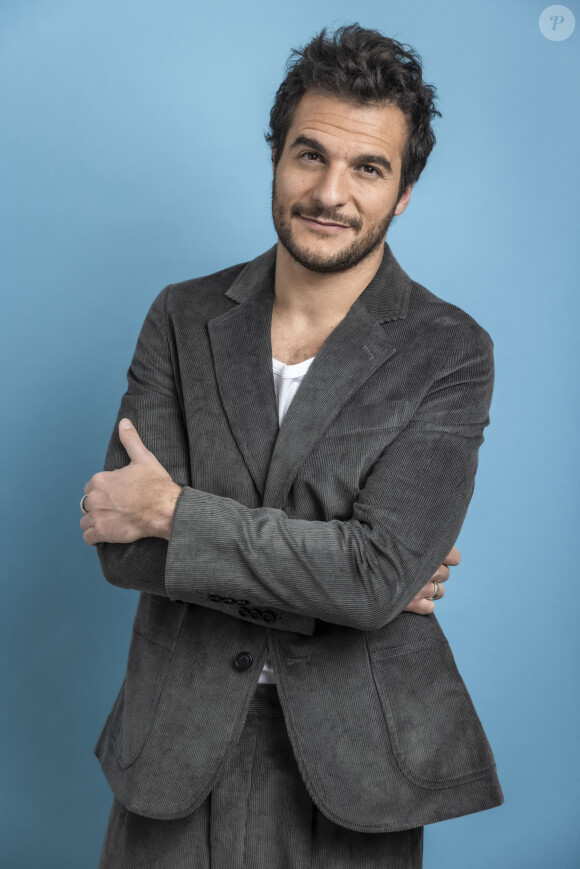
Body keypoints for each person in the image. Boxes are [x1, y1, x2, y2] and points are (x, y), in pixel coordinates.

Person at [81, 24, 503, 868]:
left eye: (368, 168)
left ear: (404, 191)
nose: (330, 191)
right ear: (276, 156)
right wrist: (340, 572)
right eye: (310, 155)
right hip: (175, 742)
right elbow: (123, 556)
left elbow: (376, 577)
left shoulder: (450, 349)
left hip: (358, 759)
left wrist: (173, 512)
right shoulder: (181, 315)